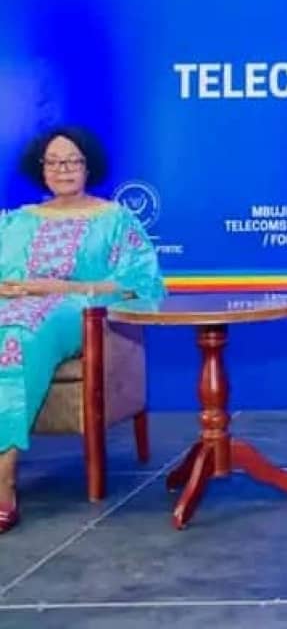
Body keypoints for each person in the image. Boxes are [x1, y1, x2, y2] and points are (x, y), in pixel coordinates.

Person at [0, 127, 165, 533]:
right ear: (40, 168)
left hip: (74, 311)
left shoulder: (115, 219)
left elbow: (140, 283)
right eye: (54, 162)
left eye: (72, 160)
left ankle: (3, 482)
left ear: (88, 166)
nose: (63, 169)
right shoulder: (16, 221)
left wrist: (58, 288)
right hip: (8, 305)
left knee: (18, 336)